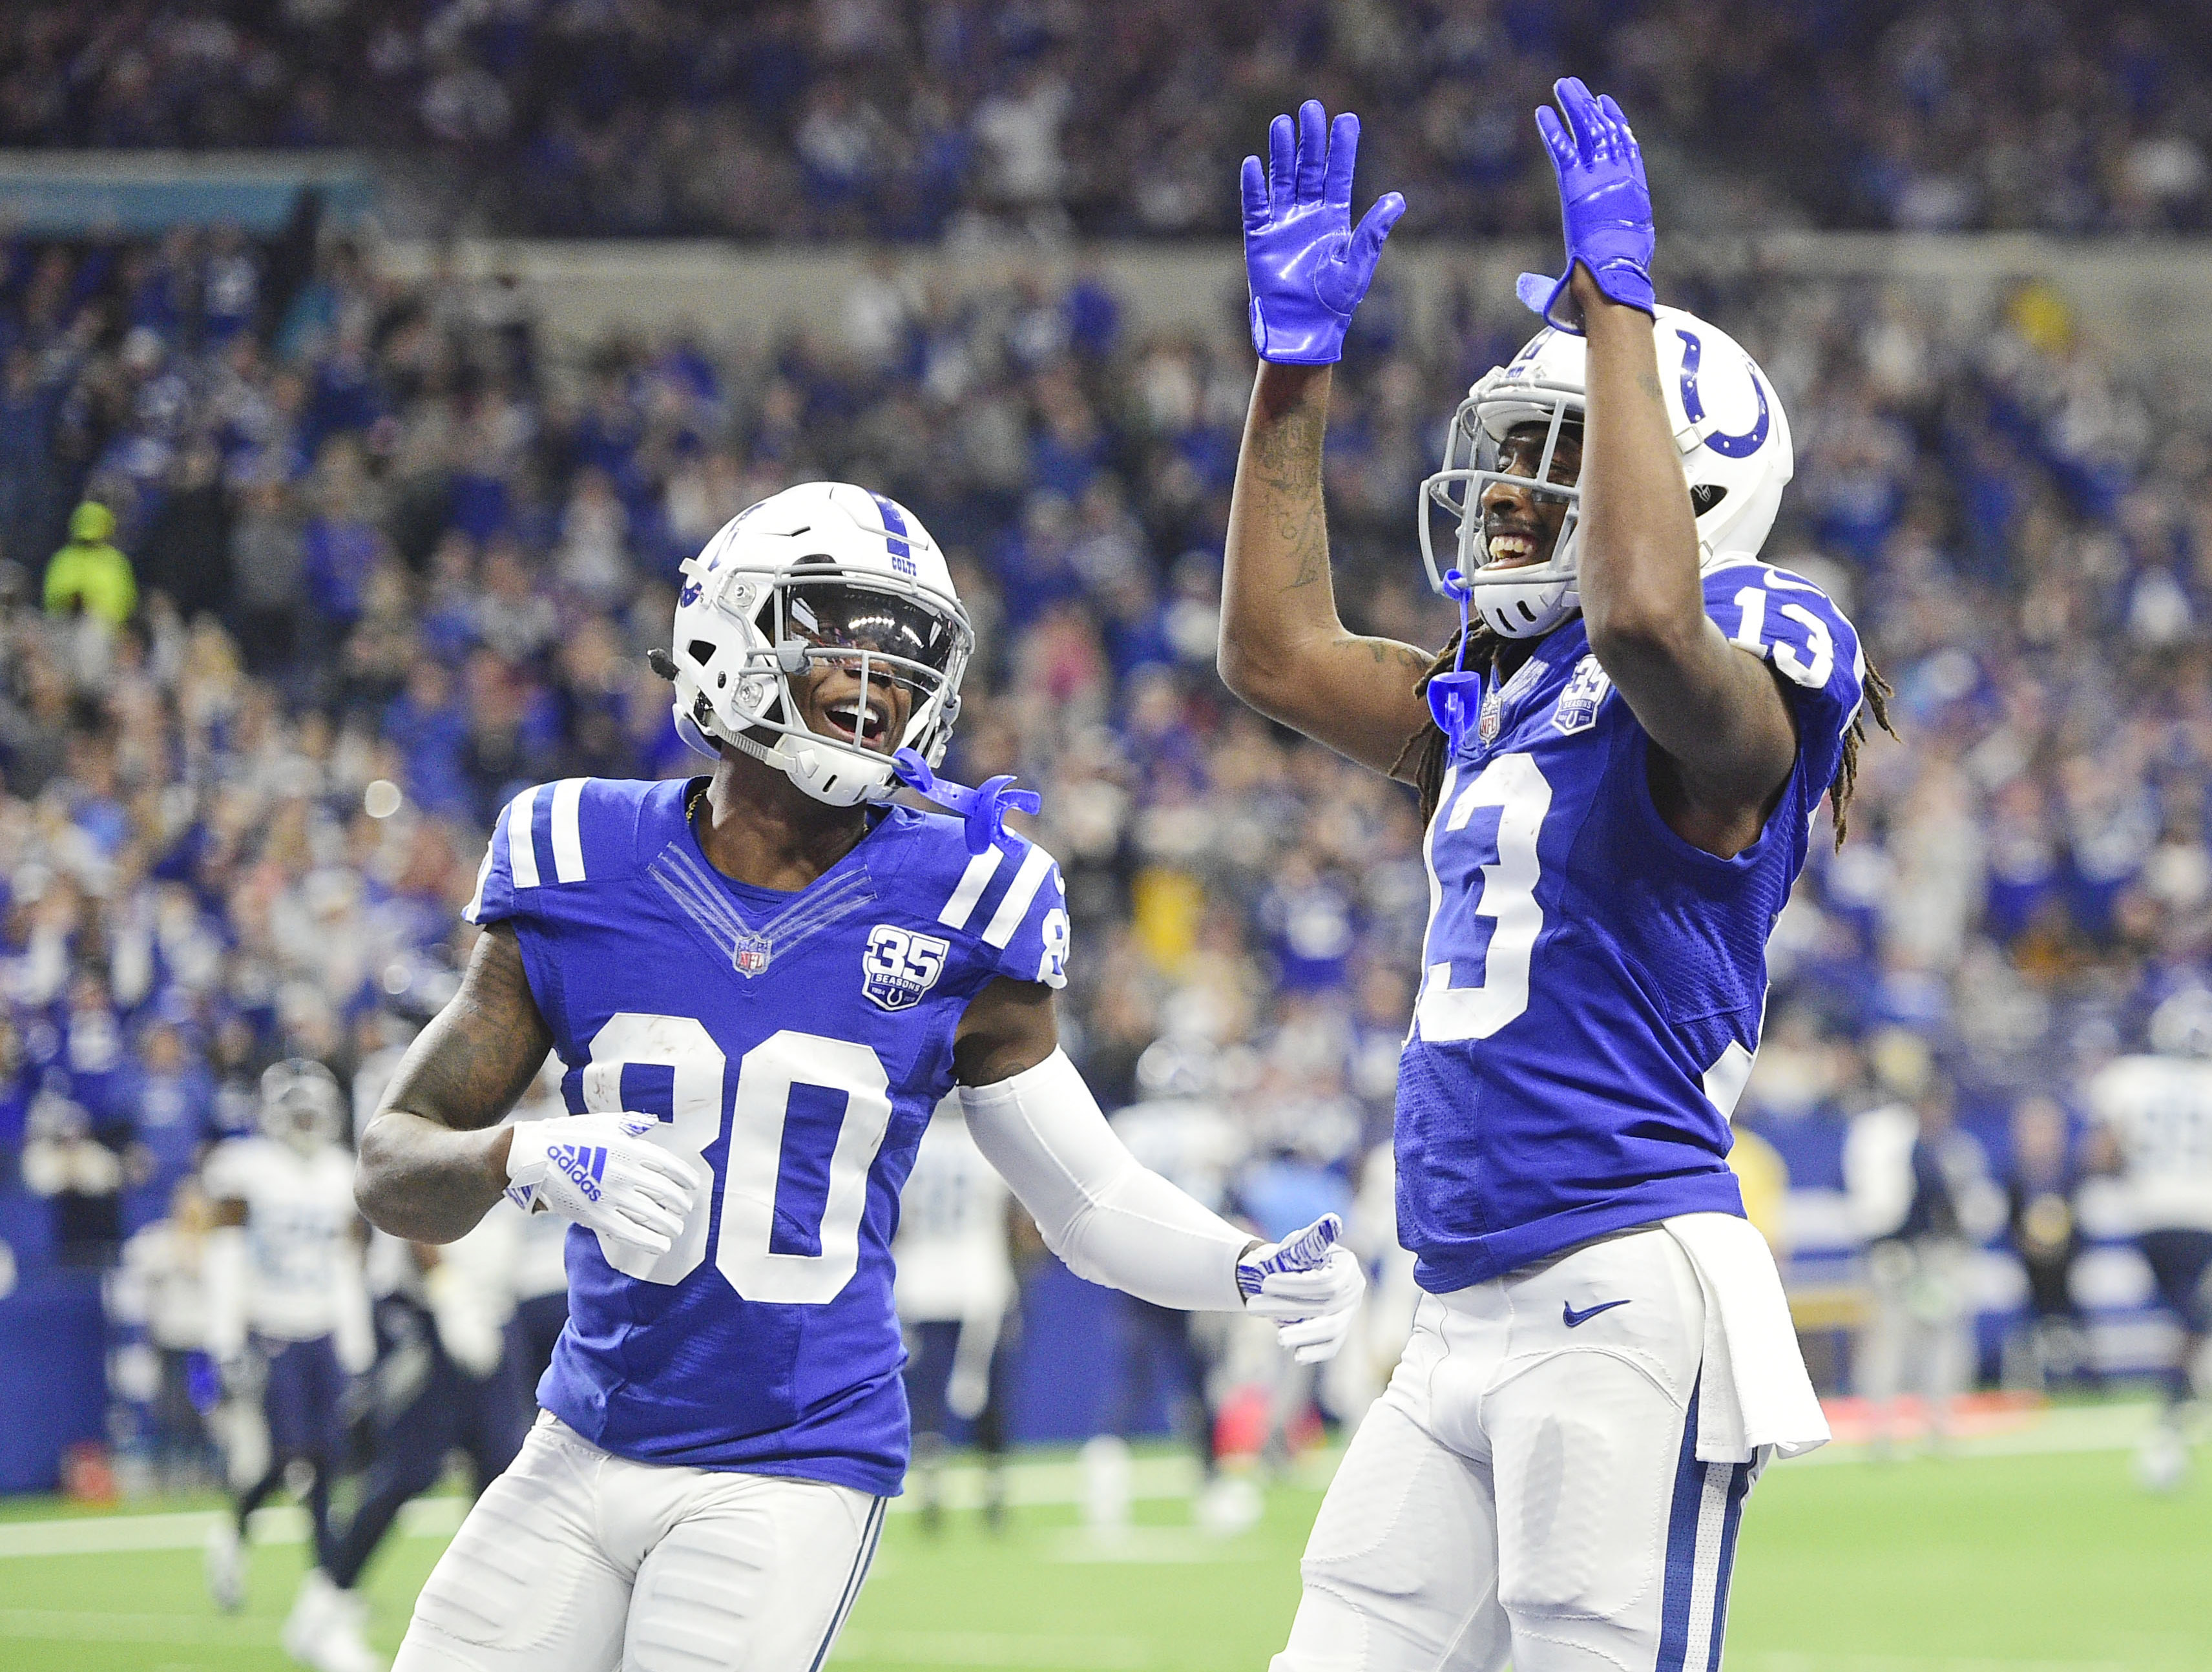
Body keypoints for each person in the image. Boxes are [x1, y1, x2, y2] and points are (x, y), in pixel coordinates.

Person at [351, 481, 1369, 1671]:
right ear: (728, 632)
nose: (879, 678)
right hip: (576, 1437)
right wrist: (515, 1152)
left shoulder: (966, 898)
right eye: (839, 630)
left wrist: (1240, 1264)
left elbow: (1084, 1198)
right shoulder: (578, 856)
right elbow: (390, 1159)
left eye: (907, 651)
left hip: (788, 1467)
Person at [1218, 86, 1894, 1671]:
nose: (1511, 491)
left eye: (1556, 454)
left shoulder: (1753, 655)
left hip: (1618, 1284)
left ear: (1687, 478)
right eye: (1510, 456)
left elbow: (1653, 625)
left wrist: (1626, 321)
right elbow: (1274, 650)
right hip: (1453, 1308)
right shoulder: (1502, 696)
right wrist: (1293, 373)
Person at [202, 1061, 373, 1617]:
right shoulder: (246, 1169)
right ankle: (234, 1537)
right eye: (295, 1112)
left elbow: (349, 1268)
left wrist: (356, 1344)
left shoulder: (340, 1171)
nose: (305, 1122)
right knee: (290, 1456)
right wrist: (226, 1339)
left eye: (312, 1112)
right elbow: (226, 1259)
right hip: (272, 1328)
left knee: (326, 1461)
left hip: (323, 1328)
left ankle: (326, 1582)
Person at [2087, 987, 2212, 1491]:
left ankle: (2179, 1406)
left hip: (2150, 1215)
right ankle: (2171, 1414)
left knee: (2190, 1319)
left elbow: (2103, 1153)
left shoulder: (2129, 1079)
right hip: (2200, 1215)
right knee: (2193, 1321)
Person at [892, 1093, 1021, 1531]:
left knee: (926, 1396)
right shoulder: (988, 1147)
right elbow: (1010, 1219)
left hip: (920, 1281)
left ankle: (931, 1490)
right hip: (980, 1282)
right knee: (986, 1394)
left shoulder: (911, 1143)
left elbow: (897, 1219)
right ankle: (994, 1494)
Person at [43, 499, 137, 625]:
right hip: (65, 624)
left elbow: (125, 602)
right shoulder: (64, 558)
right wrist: (73, 601)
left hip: (105, 628)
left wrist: (94, 607)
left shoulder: (115, 561)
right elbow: (53, 598)